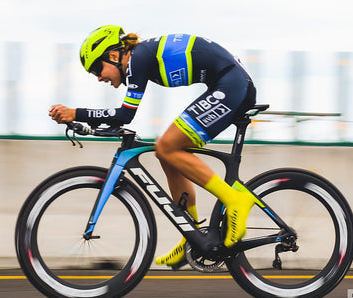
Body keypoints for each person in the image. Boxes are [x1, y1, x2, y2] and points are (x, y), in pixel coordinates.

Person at [49, 25, 257, 268]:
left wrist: (76, 113)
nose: (98, 77)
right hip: (229, 84)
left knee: (167, 146)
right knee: (167, 154)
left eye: (97, 68)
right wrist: (86, 122)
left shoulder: (139, 57)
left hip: (232, 85)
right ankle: (191, 234)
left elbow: (124, 115)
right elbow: (120, 117)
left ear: (114, 55)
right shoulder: (142, 58)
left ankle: (234, 200)